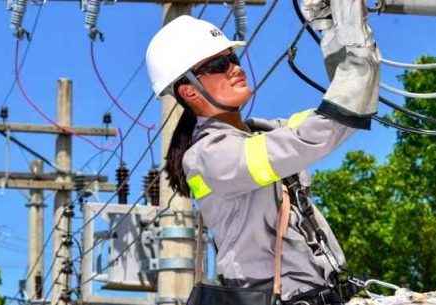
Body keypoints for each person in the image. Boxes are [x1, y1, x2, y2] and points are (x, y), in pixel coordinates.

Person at [145, 1, 379, 303]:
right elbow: (316, 135)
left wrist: (333, 29)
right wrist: (356, 47)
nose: (235, 68)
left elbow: (337, 118)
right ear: (189, 91)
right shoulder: (209, 157)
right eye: (218, 65)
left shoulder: (262, 133)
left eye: (232, 57)